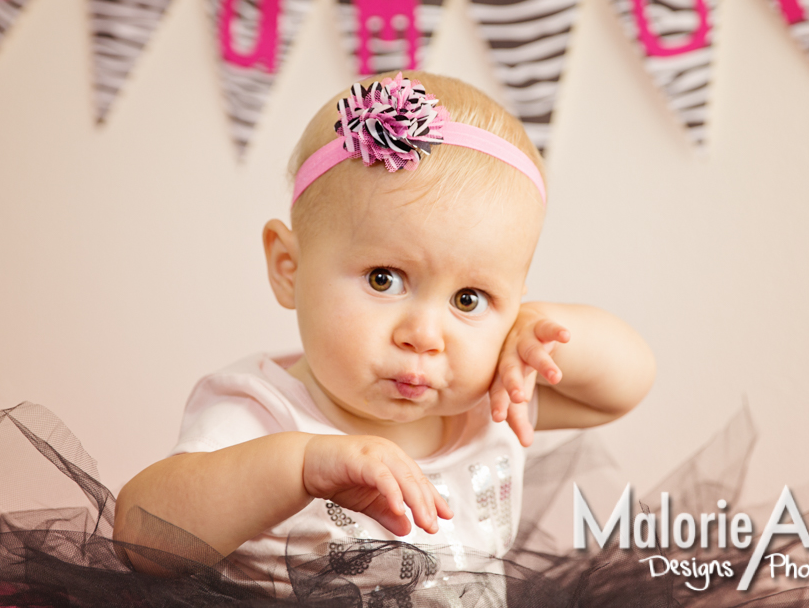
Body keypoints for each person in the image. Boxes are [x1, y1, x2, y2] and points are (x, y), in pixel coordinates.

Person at [111, 71, 657, 590]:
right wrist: (298, 466)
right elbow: (139, 537)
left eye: (470, 299)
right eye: (384, 279)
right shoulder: (263, 412)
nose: (424, 335)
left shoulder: (489, 401)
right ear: (289, 268)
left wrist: (541, 329)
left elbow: (625, 384)